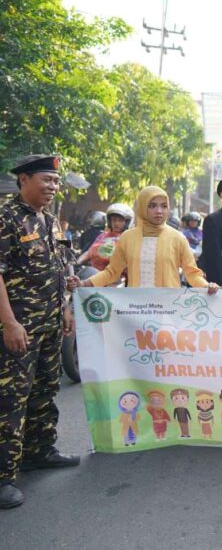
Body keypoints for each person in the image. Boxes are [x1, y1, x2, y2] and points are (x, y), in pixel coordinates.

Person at [0, 155, 79, 510]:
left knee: (45, 390)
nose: (52, 187)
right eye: (46, 180)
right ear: (24, 180)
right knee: (10, 400)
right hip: (19, 328)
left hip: (49, 324)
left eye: (56, 181)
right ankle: (2, 476)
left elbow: (59, 269)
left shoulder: (50, 222)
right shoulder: (6, 217)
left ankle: (38, 450)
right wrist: (10, 323)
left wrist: (64, 308)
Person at [77, 186, 218, 293]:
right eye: (152, 206)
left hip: (168, 310)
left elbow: (192, 274)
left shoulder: (177, 238)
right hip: (136, 311)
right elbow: (112, 272)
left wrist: (208, 286)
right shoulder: (127, 237)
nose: (159, 211)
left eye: (163, 206)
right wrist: (83, 284)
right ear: (143, 208)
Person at [76, 203, 133, 271]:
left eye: (120, 221)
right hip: (94, 275)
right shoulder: (102, 236)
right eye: (114, 220)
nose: (116, 223)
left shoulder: (128, 239)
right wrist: (77, 263)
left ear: (127, 222)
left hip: (116, 277)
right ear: (109, 221)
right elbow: (88, 253)